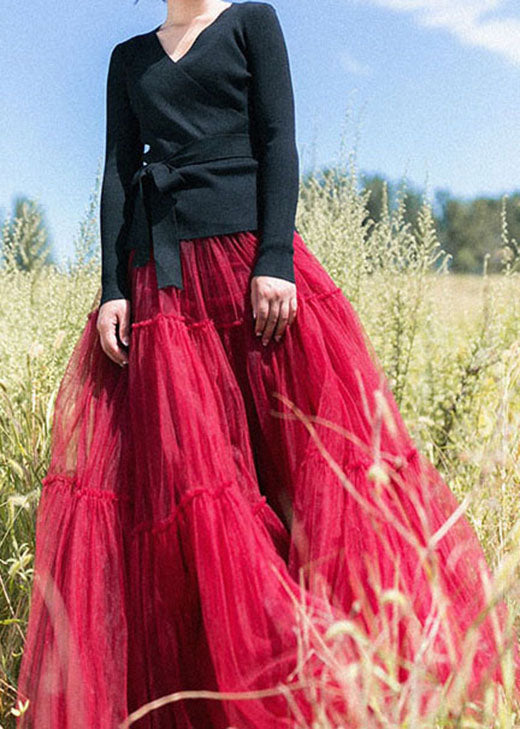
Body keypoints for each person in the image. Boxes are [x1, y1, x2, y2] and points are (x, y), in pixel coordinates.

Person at [14, 2, 520, 728]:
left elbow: (278, 139)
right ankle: (215, 701)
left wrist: (275, 257)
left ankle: (347, 685)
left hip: (251, 271)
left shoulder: (253, 22)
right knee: (193, 489)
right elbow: (120, 175)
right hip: (163, 291)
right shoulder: (129, 58)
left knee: (301, 468)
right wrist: (111, 290)